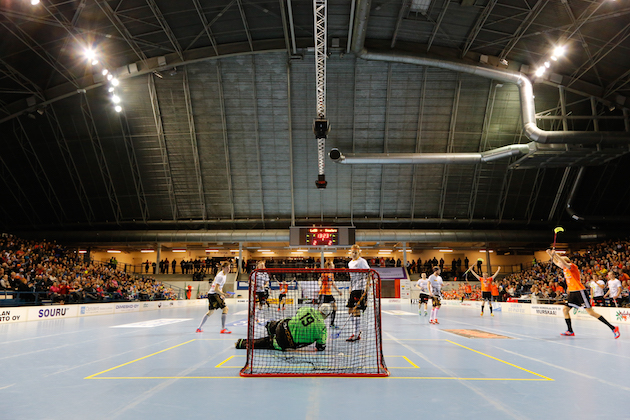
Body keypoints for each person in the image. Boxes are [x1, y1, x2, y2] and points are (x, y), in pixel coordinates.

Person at [547, 249, 619, 339]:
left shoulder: (572, 266)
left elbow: (562, 262)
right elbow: (557, 262)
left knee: (591, 312)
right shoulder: (564, 268)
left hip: (580, 291)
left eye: (561, 262)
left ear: (566, 262)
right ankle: (570, 330)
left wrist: (556, 255)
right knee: (565, 310)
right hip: (573, 293)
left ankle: (613, 328)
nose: (559, 264)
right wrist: (550, 254)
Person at [235, 304, 332, 351]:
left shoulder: (308, 309)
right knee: (267, 342)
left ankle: (269, 326)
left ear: (319, 308)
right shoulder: (322, 328)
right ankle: (241, 343)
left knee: (284, 321)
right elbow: (320, 347)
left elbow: (298, 312)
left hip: (282, 327)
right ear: (327, 316)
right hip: (286, 342)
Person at [195, 261, 232, 334]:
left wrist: (221, 294)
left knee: (211, 311)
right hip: (213, 294)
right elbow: (216, 289)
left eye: (229, 268)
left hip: (213, 294)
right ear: (223, 268)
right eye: (227, 268)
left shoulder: (224, 275)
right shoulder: (220, 276)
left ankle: (199, 328)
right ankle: (223, 328)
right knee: (225, 308)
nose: (229, 269)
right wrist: (224, 294)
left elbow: (219, 287)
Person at [346, 244, 370, 342]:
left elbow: (368, 273)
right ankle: (357, 330)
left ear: (359, 252)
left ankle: (356, 334)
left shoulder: (362, 261)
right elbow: (351, 277)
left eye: (356, 252)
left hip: (360, 288)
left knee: (356, 310)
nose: (354, 254)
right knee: (350, 310)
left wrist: (367, 286)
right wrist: (350, 287)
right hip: (354, 288)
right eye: (353, 252)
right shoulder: (350, 263)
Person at [318, 261, 341, 327]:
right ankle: (318, 323)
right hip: (323, 294)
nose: (334, 266)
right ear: (329, 266)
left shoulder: (332, 274)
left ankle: (332, 323)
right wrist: (320, 285)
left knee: (335, 307)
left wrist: (338, 291)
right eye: (332, 265)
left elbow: (333, 284)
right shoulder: (324, 273)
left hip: (329, 294)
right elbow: (319, 280)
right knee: (320, 309)